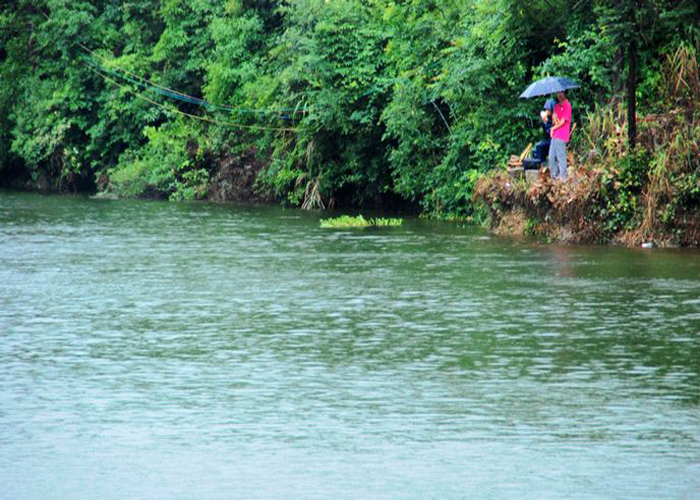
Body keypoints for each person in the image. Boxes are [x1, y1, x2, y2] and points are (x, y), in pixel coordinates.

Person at [549, 91, 572, 180]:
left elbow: (562, 122)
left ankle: (563, 179)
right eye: (558, 93)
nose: (559, 95)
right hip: (555, 135)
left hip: (562, 135)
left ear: (564, 93)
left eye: (561, 93)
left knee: (561, 157)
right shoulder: (556, 106)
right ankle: (554, 179)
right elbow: (556, 122)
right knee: (551, 157)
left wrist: (552, 128)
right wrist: (554, 117)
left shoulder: (567, 105)